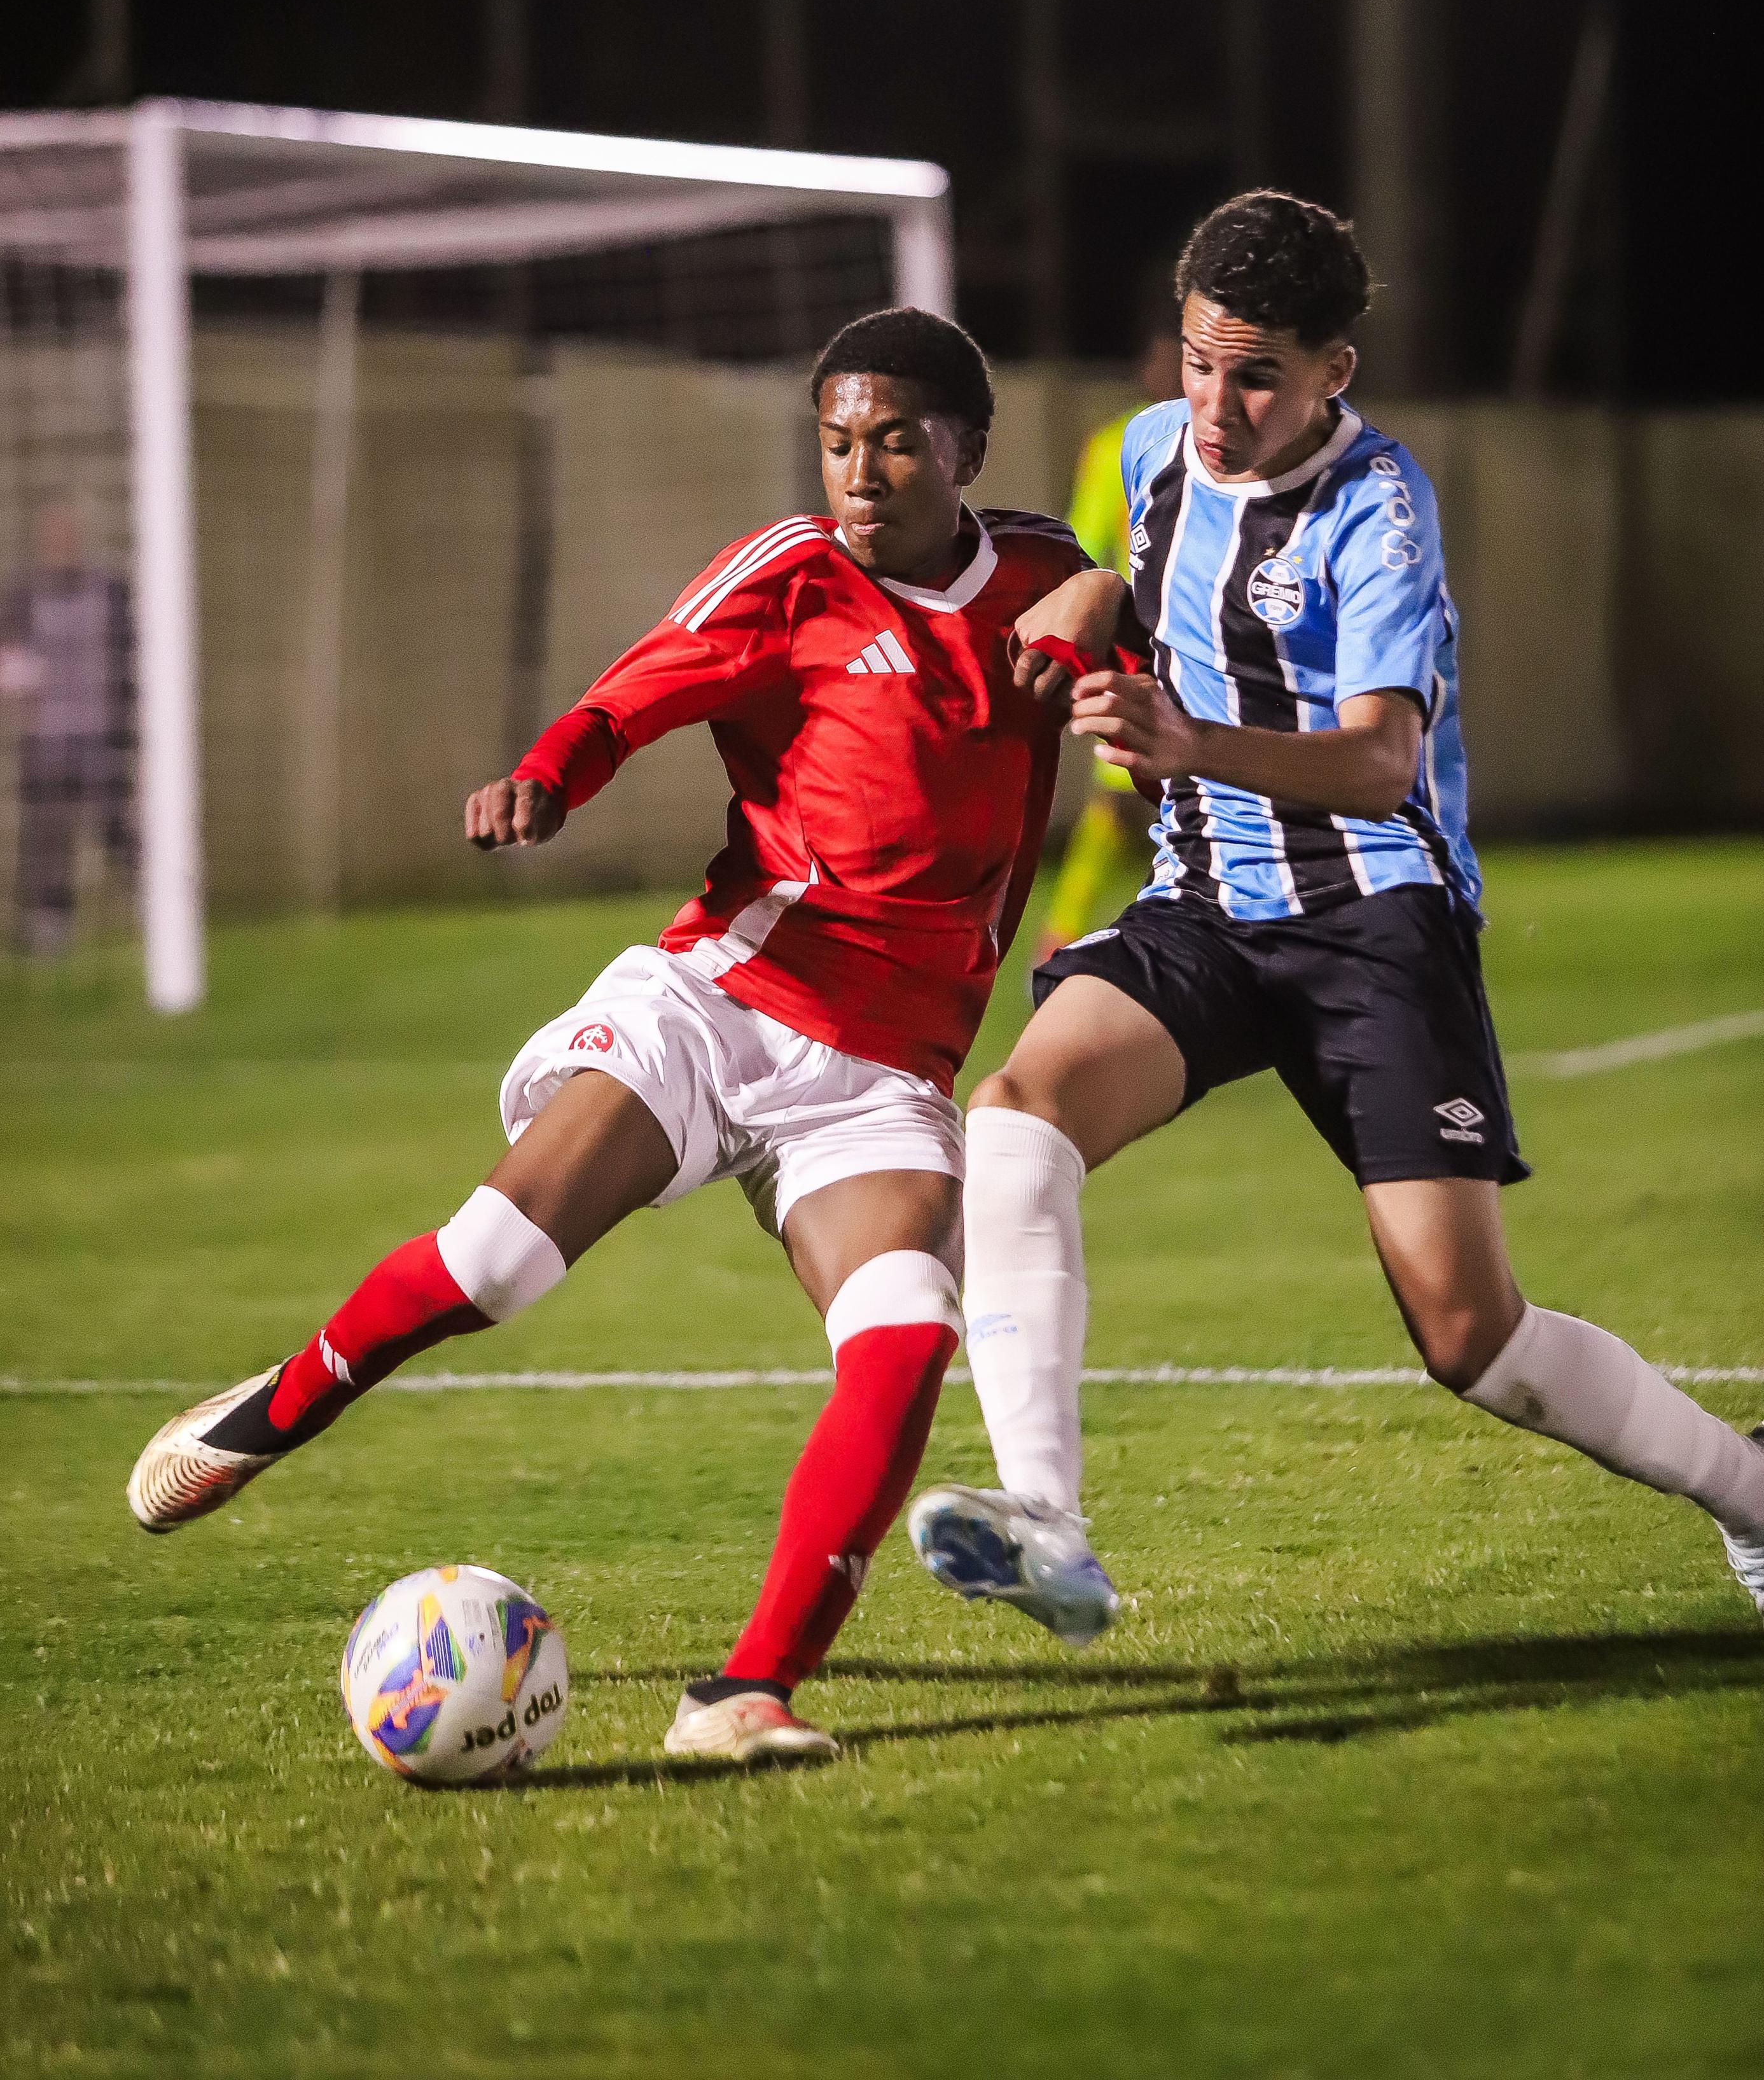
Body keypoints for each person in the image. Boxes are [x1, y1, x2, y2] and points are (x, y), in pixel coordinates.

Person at [128, 307, 1122, 1764]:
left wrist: (1103, 592)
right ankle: (274, 1408)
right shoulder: (787, 577)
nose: (860, 472)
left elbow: (1157, 617)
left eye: (897, 441)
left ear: (968, 448)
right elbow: (626, 697)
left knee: (909, 1328)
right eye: (838, 441)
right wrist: (547, 775)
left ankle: (744, 1696)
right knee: (495, 1264)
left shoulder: (1037, 575)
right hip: (718, 1004)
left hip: (882, 1075)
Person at [909, 190, 1764, 1635]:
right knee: (1014, 1117)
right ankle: (1047, 1522)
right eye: (1198, 362)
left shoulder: (1379, 513)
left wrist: (1186, 738)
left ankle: (1749, 1491)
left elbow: (1378, 764)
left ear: (1332, 373)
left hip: (1374, 919)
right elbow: (1150, 575)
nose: (1215, 404)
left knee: (1470, 1338)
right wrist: (1093, 599)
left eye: (1255, 377)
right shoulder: (1150, 450)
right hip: (1204, 904)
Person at [1031, 302, 1183, 966]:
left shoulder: (1229, 445)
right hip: (1136, 645)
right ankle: (1062, 931)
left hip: (1209, 645)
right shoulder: (1117, 444)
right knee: (1122, 795)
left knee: (1177, 795)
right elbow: (1085, 542)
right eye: (1165, 359)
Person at [0, 499, 135, 957]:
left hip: (102, 733)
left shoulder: (110, 591)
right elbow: (10, 658)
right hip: (47, 738)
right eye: (51, 534)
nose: (60, 542)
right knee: (48, 836)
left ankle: (156, 909)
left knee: (118, 826)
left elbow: (131, 656)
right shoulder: (24, 595)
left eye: (66, 532)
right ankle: (49, 928)